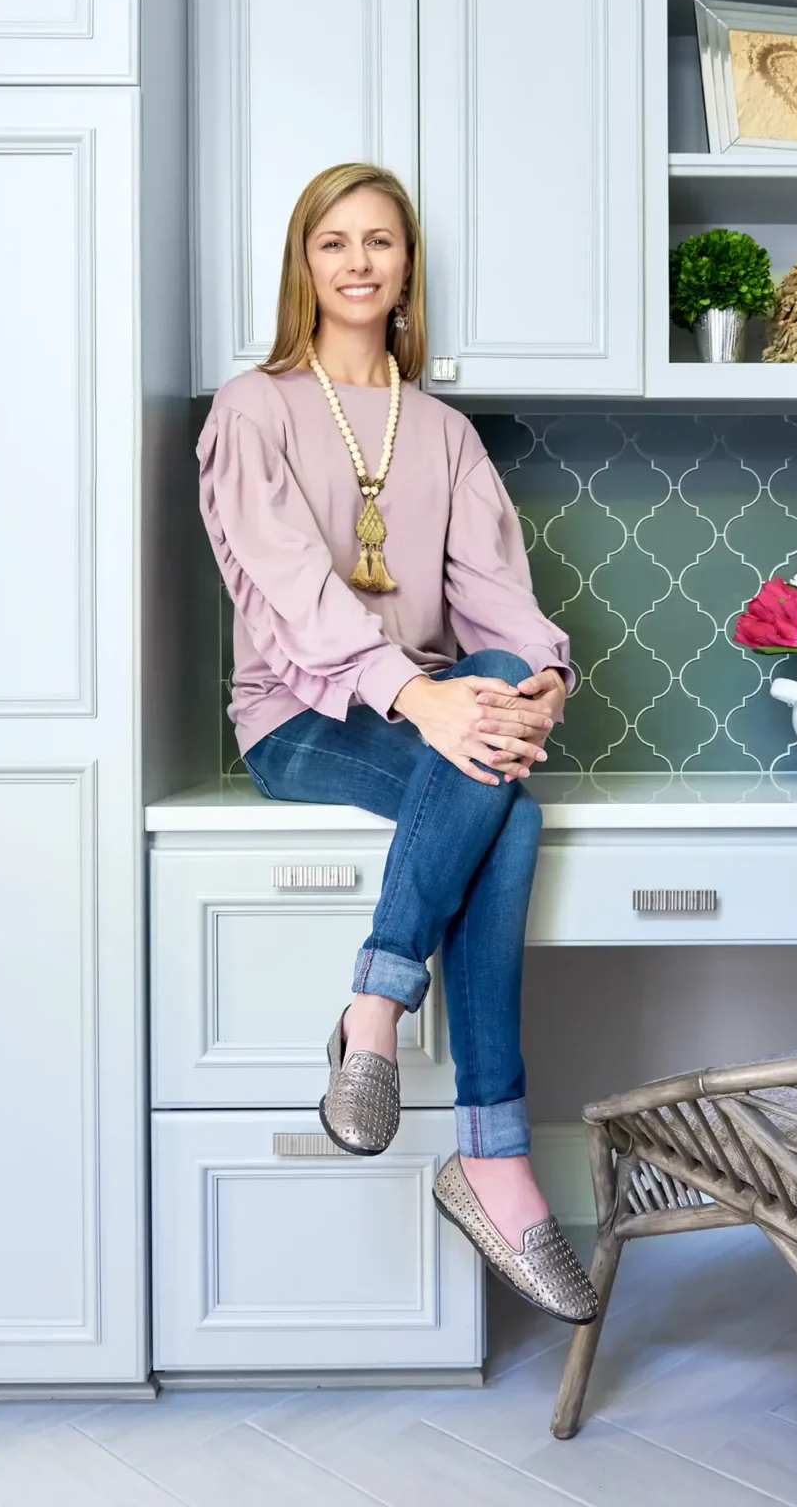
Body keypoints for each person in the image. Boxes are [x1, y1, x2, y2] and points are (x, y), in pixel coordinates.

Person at [195, 162, 597, 1324]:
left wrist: (539, 682)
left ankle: (377, 1014)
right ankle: (493, 1154)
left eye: (381, 242)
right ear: (303, 265)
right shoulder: (252, 409)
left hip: (441, 717)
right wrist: (410, 697)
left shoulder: (445, 433)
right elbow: (285, 590)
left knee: (496, 768)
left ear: (409, 266)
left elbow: (497, 594)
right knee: (498, 795)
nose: (359, 262)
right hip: (302, 718)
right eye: (334, 243)